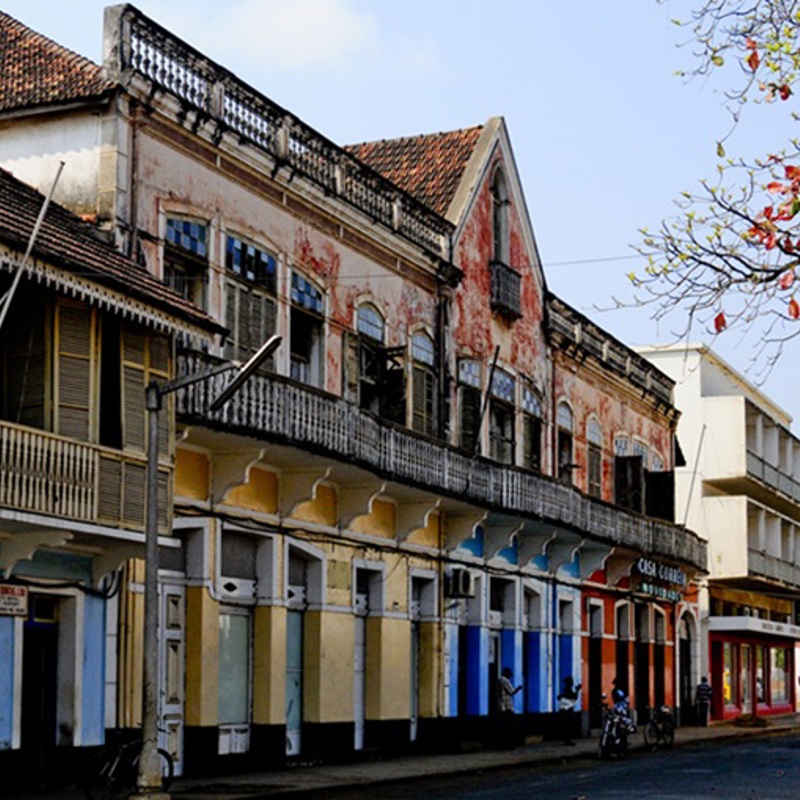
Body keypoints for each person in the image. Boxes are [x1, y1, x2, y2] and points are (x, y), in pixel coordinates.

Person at [497, 667, 522, 748]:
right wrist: (518, 688)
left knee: (503, 727)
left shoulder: (499, 680)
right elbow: (511, 691)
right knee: (508, 726)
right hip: (506, 706)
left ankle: (503, 744)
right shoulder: (505, 681)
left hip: (501, 705)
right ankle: (508, 744)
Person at [557, 675, 581, 745]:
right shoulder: (567, 689)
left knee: (568, 725)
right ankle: (567, 740)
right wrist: (577, 690)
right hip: (567, 710)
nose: (572, 682)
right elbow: (573, 697)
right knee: (568, 725)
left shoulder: (567, 689)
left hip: (567, 710)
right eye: (571, 681)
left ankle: (567, 740)